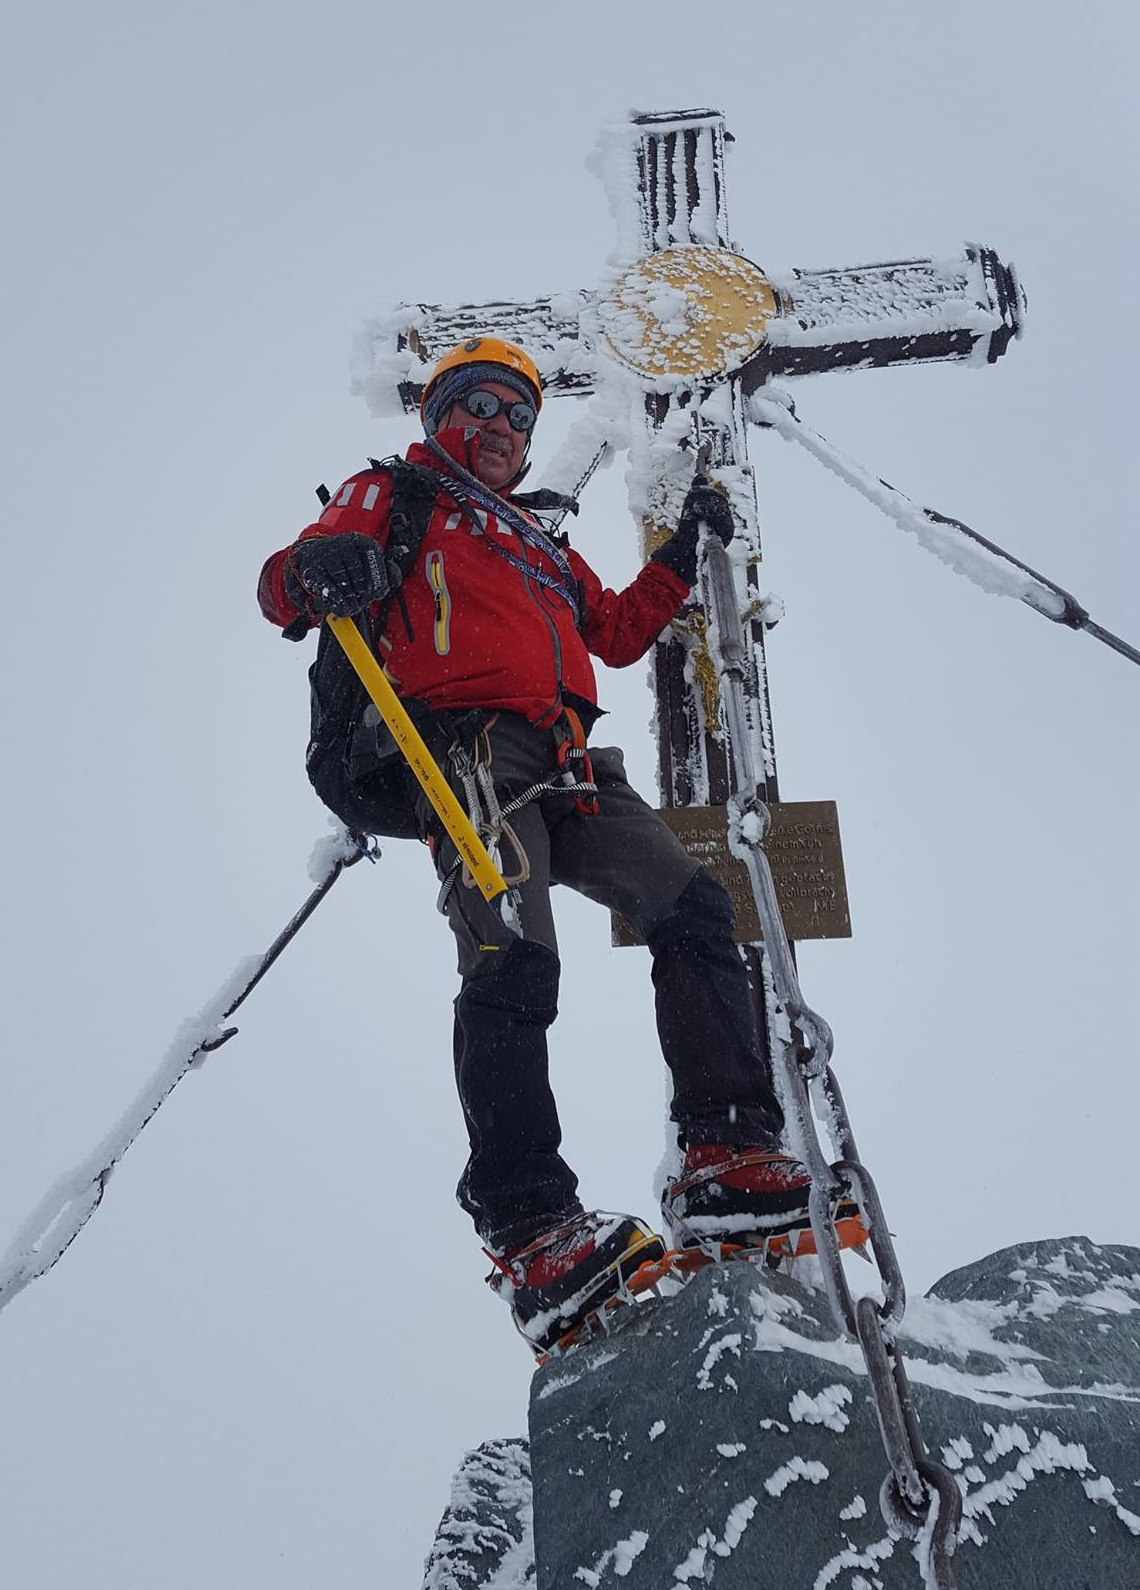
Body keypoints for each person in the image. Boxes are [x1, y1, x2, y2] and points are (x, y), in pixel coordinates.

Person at [259, 337, 847, 1350]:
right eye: (477, 404)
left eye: (519, 416)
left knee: (696, 908)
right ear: (440, 411)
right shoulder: (393, 494)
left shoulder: (536, 542)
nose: (499, 427)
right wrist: (313, 566)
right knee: (515, 959)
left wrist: (680, 554)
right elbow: (282, 587)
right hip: (467, 753)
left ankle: (726, 1152)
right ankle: (529, 1221)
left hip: (572, 763)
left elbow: (614, 632)